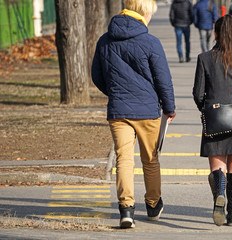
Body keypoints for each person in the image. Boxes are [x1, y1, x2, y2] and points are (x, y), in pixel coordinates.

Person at [91, 0, 176, 229]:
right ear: (144, 13)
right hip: (148, 110)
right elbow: (163, 80)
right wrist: (169, 108)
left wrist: (116, 92)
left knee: (124, 160)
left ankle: (126, 209)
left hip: (119, 110)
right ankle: (153, 204)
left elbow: (97, 76)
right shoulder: (151, 42)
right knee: (150, 160)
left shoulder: (104, 41)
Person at [192, 15, 232, 226]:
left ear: (217, 33)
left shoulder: (204, 58)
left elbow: (197, 93)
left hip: (214, 117)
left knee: (217, 167)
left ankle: (219, 195)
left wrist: (208, 107)